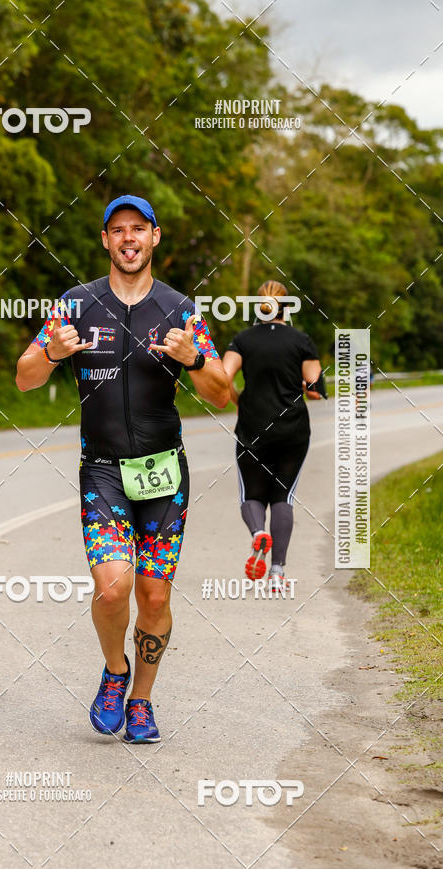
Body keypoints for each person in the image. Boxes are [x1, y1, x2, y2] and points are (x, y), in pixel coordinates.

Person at [16, 195, 229, 742]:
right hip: (103, 471)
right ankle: (115, 671)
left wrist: (194, 359)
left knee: (154, 596)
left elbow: (222, 394)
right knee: (113, 589)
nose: (128, 238)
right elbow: (24, 377)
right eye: (118, 230)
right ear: (105, 240)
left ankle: (141, 702)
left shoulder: (181, 310)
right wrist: (53, 353)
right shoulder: (75, 304)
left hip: (164, 473)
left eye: (138, 228)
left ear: (154, 236)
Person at [222, 280, 324, 598]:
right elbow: (315, 389)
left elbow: (222, 378)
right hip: (293, 431)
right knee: (283, 497)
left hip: (252, 428)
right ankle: (278, 572)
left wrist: (239, 400)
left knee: (251, 494)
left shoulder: (243, 340)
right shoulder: (301, 341)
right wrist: (303, 385)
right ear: (287, 307)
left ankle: (258, 532)